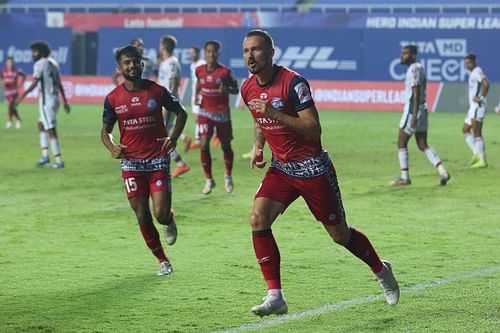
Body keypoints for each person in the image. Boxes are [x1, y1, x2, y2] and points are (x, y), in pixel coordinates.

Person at [240, 29, 399, 316]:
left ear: (271, 53)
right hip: (282, 169)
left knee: (339, 235)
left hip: (313, 168)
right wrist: (258, 145)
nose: (251, 56)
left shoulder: (293, 83)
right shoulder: (248, 87)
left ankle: (381, 269)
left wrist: (275, 114)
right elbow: (257, 117)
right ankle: (275, 295)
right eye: (246, 51)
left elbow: (314, 128)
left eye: (257, 50)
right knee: (257, 218)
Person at [101, 45, 187, 276]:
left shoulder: (156, 91)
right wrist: (112, 146)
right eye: (126, 63)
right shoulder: (113, 98)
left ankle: (169, 219)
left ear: (142, 63)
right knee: (141, 214)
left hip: (157, 159)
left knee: (159, 214)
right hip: (131, 163)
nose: (131, 66)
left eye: (134, 61)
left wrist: (174, 137)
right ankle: (163, 261)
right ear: (119, 68)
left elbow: (181, 113)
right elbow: (105, 131)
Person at [392, 45, 450, 186]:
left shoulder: (413, 69)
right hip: (422, 110)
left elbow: (416, 91)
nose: (402, 56)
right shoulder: (419, 67)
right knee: (422, 144)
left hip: (413, 110)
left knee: (401, 142)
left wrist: (413, 116)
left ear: (412, 55)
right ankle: (443, 171)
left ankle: (405, 177)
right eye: (402, 53)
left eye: (405, 53)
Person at [16, 41, 70, 169]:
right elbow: (60, 83)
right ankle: (45, 155)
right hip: (54, 98)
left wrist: (22, 96)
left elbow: (35, 82)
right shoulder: (54, 63)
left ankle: (58, 160)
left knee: (50, 128)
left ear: (41, 52)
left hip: (47, 100)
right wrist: (65, 102)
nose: (32, 54)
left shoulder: (40, 63)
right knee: (41, 124)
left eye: (34, 51)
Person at [195, 40, 239, 194]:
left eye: (214, 51)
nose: (211, 54)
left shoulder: (225, 72)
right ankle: (209, 180)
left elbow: (236, 89)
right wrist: (196, 95)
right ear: (205, 53)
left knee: (225, 146)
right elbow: (199, 83)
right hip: (205, 112)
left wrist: (227, 89)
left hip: (222, 114)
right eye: (208, 51)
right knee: (204, 144)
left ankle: (228, 176)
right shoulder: (199, 70)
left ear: (218, 53)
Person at [158, 35, 191, 178]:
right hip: (165, 101)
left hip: (169, 103)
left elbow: (172, 84)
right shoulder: (166, 62)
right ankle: (177, 163)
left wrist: (167, 105)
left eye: (160, 44)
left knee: (161, 134)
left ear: (163, 46)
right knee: (165, 132)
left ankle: (179, 164)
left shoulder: (171, 63)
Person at [463, 54, 489, 169]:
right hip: (473, 108)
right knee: (465, 130)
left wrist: (481, 97)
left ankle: (482, 160)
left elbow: (486, 84)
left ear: (474, 62)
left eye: (468, 63)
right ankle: (476, 154)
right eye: (465, 63)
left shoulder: (477, 71)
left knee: (477, 133)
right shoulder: (473, 73)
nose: (466, 65)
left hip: (478, 107)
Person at [184, 46, 206, 152]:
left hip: (200, 93)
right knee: (196, 116)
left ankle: (199, 140)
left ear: (198, 53)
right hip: (195, 93)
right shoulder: (193, 65)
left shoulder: (201, 63)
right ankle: (213, 135)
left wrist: (199, 94)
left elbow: (203, 79)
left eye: (193, 53)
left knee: (199, 116)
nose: (191, 55)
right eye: (190, 53)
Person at [0, 57, 25, 129]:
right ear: (6, 63)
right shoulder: (3, 71)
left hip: (14, 91)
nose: (10, 64)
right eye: (9, 63)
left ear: (13, 63)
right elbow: (1, 79)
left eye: (11, 63)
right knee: (12, 107)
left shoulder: (16, 71)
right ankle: (18, 119)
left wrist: (21, 83)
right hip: (7, 91)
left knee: (10, 105)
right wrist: (2, 83)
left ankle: (10, 121)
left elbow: (24, 75)